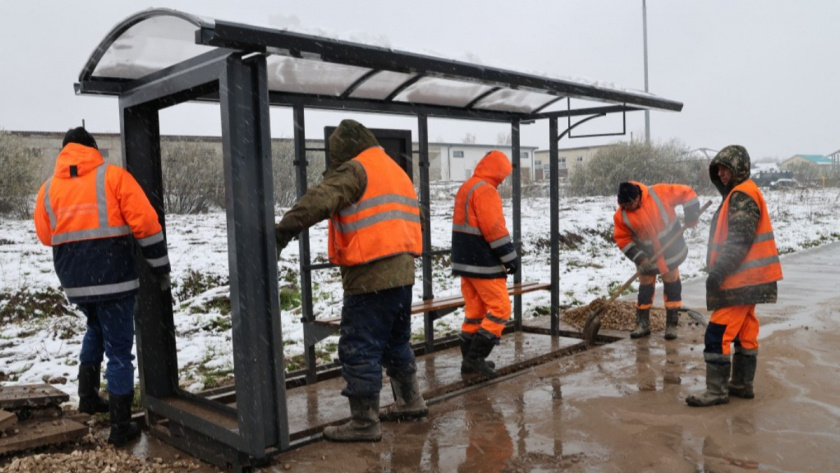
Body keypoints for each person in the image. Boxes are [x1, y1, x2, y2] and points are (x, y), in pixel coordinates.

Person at [274, 119, 427, 442]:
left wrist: (281, 233)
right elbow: (419, 217)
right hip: (404, 276)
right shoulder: (394, 170)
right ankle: (410, 401)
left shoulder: (357, 169)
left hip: (371, 276)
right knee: (395, 342)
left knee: (359, 347)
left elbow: (319, 200)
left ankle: (364, 422)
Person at [33, 127, 171, 446]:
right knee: (120, 351)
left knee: (95, 328)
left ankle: (88, 399)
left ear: (65, 151)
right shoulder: (113, 177)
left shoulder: (48, 189)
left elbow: (45, 235)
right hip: (114, 278)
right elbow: (146, 224)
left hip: (75, 282)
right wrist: (159, 265)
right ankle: (120, 425)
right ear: (92, 148)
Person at [686, 145, 782, 407]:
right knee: (744, 332)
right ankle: (741, 383)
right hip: (752, 278)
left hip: (740, 279)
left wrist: (719, 271)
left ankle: (716, 391)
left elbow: (739, 240)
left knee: (717, 333)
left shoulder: (741, 196)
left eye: (725, 168)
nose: (721, 173)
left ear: (739, 168)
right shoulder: (743, 193)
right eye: (718, 169)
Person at [451, 150, 519, 379]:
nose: (503, 179)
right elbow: (494, 230)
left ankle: (469, 363)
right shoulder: (485, 191)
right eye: (504, 174)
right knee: (500, 308)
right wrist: (510, 257)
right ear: (498, 171)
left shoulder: (467, 186)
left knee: (475, 312)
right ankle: (475, 359)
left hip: (465, 263)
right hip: (483, 263)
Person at [613, 181, 700, 340]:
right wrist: (639, 257)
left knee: (671, 280)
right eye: (624, 205)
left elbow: (687, 193)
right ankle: (643, 324)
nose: (628, 208)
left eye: (630, 203)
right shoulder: (622, 215)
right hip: (646, 254)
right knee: (645, 283)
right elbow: (622, 239)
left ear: (638, 196)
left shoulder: (659, 192)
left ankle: (671, 325)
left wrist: (691, 214)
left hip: (671, 248)